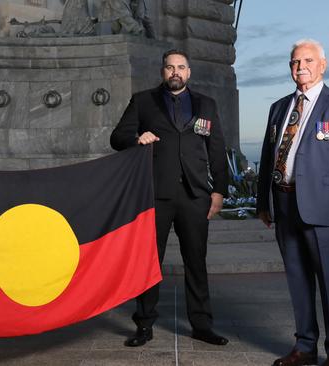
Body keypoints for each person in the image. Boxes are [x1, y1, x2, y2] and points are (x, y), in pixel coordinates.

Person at [256, 39, 329, 366]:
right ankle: (305, 347)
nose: (300, 67)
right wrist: (264, 201)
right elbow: (268, 157)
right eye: (294, 62)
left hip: (325, 209)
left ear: (323, 65)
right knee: (298, 280)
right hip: (284, 204)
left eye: (307, 60)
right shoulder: (279, 107)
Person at [110, 49, 229, 347]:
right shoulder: (143, 101)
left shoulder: (207, 105)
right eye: (169, 67)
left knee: (196, 261)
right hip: (154, 194)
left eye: (181, 67)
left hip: (195, 194)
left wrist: (218, 192)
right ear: (162, 72)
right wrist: (136, 139)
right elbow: (116, 137)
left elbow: (217, 151)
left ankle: (201, 325)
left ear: (189, 72)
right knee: (149, 262)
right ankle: (144, 325)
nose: (175, 72)